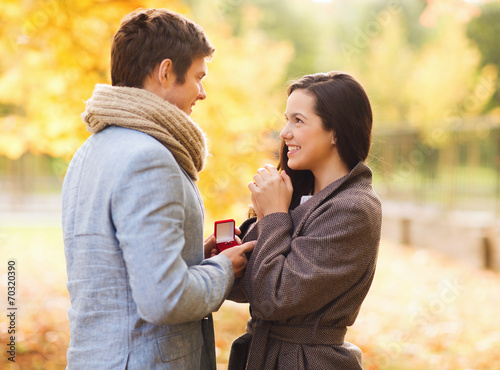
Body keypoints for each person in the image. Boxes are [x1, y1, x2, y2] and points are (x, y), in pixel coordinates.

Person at [62, 8, 254, 369]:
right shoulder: (148, 158)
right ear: (166, 72)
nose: (203, 93)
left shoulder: (88, 153)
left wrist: (193, 256)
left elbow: (117, 269)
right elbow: (164, 298)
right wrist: (224, 269)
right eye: (198, 77)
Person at [227, 71, 382, 369]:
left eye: (298, 121)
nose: (284, 132)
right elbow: (245, 288)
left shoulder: (353, 209)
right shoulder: (299, 195)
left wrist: (273, 215)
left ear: (335, 131)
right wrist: (226, 256)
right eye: (286, 119)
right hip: (264, 354)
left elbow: (273, 298)